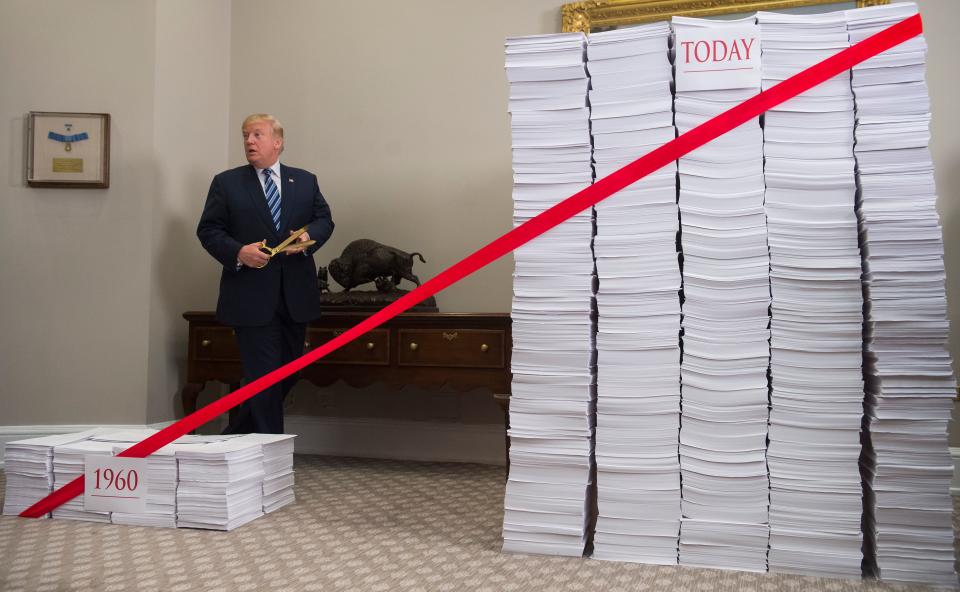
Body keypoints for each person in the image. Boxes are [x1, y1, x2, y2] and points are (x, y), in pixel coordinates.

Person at [197, 113, 334, 434]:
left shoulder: (304, 180)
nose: (249, 141)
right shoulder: (226, 183)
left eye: (257, 135)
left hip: (295, 297)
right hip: (250, 297)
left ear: (278, 141)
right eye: (245, 136)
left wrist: (307, 237)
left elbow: (324, 220)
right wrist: (238, 252)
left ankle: (234, 438)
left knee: (288, 372)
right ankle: (270, 457)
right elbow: (208, 230)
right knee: (264, 376)